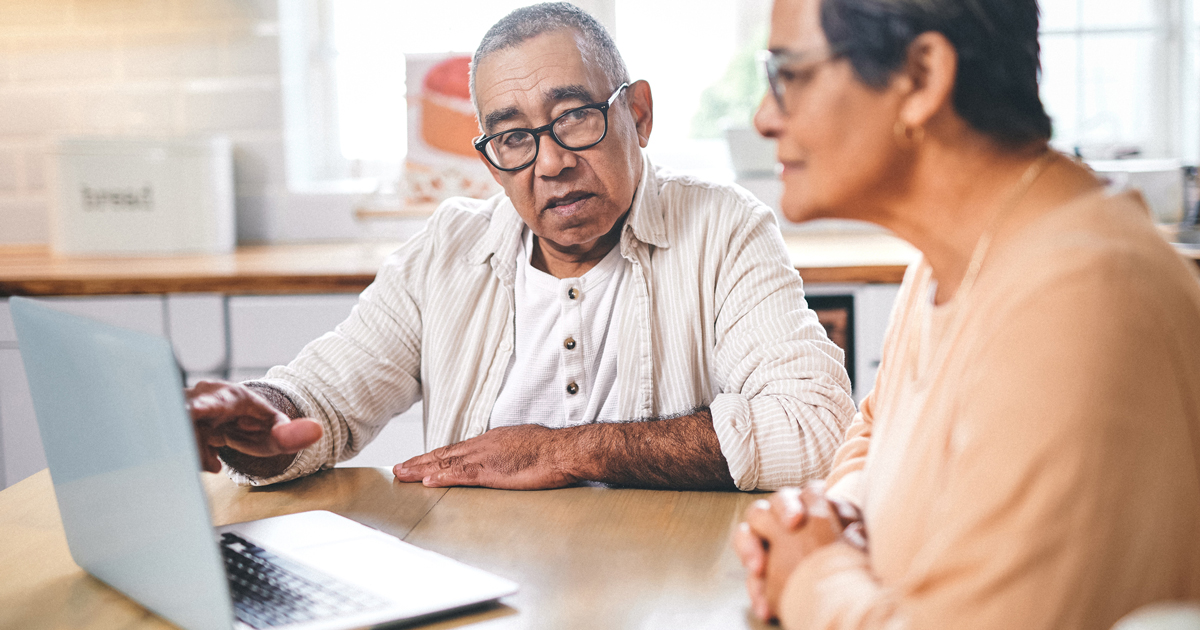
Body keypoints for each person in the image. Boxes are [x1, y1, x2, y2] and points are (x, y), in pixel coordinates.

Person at [186, 2, 856, 492]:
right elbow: (322, 400)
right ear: (490, 155)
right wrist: (263, 418)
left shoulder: (723, 227)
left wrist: (569, 451)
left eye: (573, 118)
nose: (551, 162)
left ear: (639, 115)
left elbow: (815, 427)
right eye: (513, 137)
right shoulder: (449, 249)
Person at [733, 0, 1200, 627]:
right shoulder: (955, 256)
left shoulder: (1079, 299)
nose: (765, 117)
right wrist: (830, 518)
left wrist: (812, 573)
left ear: (922, 76)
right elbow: (878, 436)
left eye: (789, 75)